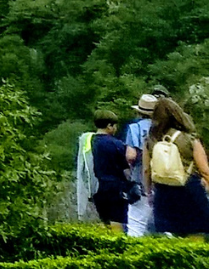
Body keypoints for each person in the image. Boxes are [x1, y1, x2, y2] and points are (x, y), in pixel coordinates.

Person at [147, 97, 209, 238]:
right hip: (189, 189)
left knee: (169, 235)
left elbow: (147, 170)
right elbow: (205, 170)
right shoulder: (190, 139)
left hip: (162, 192)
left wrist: (149, 192)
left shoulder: (150, 140)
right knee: (197, 231)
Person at [88, 111, 132, 230]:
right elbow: (126, 169)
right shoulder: (116, 144)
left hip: (97, 186)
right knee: (117, 219)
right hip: (115, 187)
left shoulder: (89, 141)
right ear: (109, 126)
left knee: (104, 220)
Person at [131, 94, 165, 237]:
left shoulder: (135, 128)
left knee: (135, 222)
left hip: (141, 179)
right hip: (163, 177)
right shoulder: (163, 129)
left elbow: (131, 155)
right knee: (163, 219)